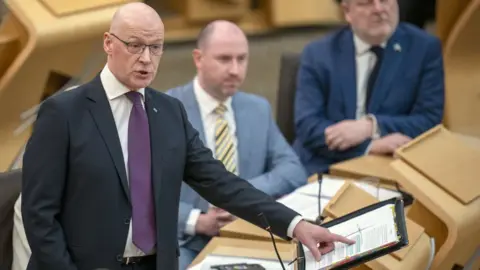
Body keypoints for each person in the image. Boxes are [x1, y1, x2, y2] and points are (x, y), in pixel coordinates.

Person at [21, 3, 353, 270]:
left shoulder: (169, 112)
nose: (146, 59)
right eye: (135, 46)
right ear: (109, 43)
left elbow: (222, 184)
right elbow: (39, 216)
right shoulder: (63, 113)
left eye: (156, 47)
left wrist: (296, 225)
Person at [166, 20, 308, 269]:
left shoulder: (257, 108)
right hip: (187, 241)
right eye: (224, 59)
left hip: (252, 232)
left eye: (242, 59)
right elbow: (138, 192)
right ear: (198, 59)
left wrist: (239, 196)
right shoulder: (165, 110)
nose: (235, 70)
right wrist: (196, 221)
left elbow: (293, 170)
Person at [294, 0, 444, 174]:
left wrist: (371, 126)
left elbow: (429, 120)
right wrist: (369, 146)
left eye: (385, 0)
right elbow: (308, 125)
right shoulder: (318, 54)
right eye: (366, 3)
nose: (379, 9)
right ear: (347, 12)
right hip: (326, 166)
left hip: (395, 168)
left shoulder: (425, 48)